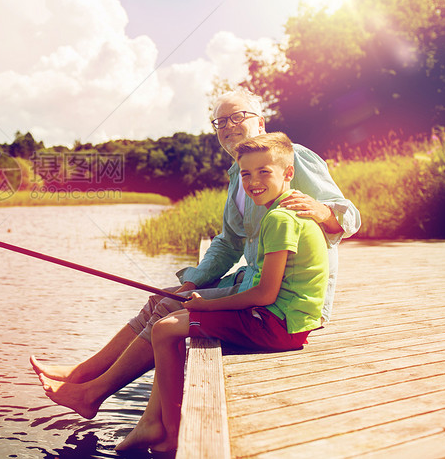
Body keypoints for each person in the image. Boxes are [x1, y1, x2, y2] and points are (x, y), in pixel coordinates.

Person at [30, 88, 360, 420]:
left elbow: (351, 217)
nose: (228, 126)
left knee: (171, 308)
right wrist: (192, 281)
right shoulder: (239, 175)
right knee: (163, 299)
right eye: (219, 122)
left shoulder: (291, 157)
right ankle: (82, 374)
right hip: (256, 282)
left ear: (260, 122)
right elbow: (230, 243)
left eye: (237, 117)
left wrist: (321, 211)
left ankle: (92, 394)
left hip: (286, 299)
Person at [119, 131, 329, 452]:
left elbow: (264, 295)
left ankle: (170, 435)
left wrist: (207, 306)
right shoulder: (288, 211)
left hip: (276, 325)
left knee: (164, 330)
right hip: (288, 322)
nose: (253, 181)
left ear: (288, 173)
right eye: (246, 173)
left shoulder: (280, 219)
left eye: (264, 172)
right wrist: (205, 303)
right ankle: (156, 424)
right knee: (173, 318)